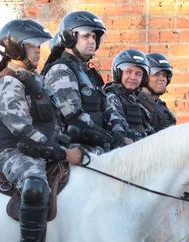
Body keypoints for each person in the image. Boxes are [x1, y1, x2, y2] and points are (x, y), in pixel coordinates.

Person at [0, 19, 83, 242]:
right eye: (33, 46)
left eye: (41, 46)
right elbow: (24, 133)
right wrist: (62, 153)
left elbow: (50, 124)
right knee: (35, 184)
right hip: (14, 153)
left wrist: (69, 143)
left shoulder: (33, 78)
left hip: (41, 148)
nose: (39, 51)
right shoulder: (7, 83)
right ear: (16, 48)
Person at [42, 11, 127, 153]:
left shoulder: (87, 72)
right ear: (70, 37)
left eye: (94, 37)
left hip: (97, 145)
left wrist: (118, 129)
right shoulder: (61, 70)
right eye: (86, 36)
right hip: (73, 148)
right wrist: (106, 138)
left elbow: (106, 108)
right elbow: (74, 117)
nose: (92, 41)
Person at [105, 49, 154, 141]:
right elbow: (120, 130)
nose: (133, 77)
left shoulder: (136, 100)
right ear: (119, 73)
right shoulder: (112, 97)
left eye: (138, 74)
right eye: (128, 71)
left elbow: (149, 129)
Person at [139, 53, 177, 132]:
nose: (162, 78)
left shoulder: (159, 104)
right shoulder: (138, 104)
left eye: (164, 75)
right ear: (144, 78)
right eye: (156, 74)